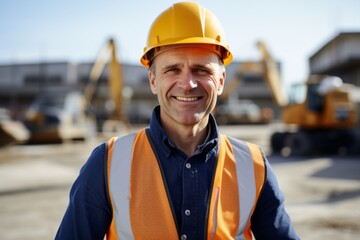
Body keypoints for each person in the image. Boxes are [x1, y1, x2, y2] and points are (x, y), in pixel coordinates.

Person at [56, 2, 299, 239]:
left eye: (201, 70)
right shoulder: (107, 163)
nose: (187, 84)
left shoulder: (253, 166)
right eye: (172, 69)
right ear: (153, 81)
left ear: (222, 80)